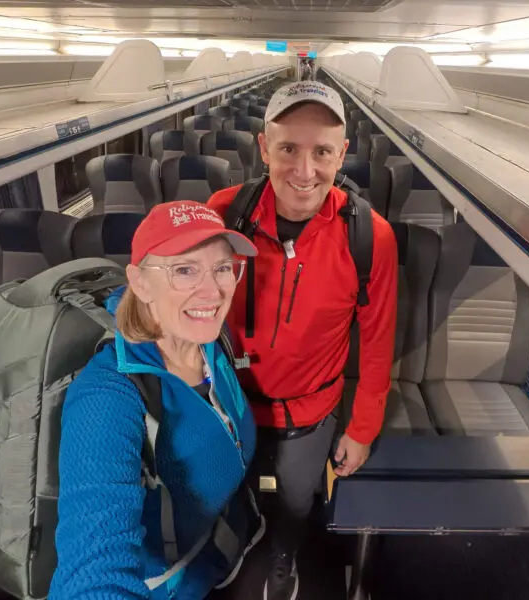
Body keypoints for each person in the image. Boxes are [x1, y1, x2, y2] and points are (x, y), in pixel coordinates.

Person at [207, 81, 398, 600]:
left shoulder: (369, 236)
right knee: (230, 493)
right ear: (264, 147)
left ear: (343, 155)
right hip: (231, 402)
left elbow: (378, 341)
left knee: (295, 502)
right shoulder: (224, 213)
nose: (304, 170)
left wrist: (361, 428)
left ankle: (285, 558)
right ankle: (238, 549)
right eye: (288, 148)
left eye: (321, 152)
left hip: (310, 411)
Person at [49, 201, 266, 599]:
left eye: (222, 267)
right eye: (184, 269)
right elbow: (94, 564)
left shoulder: (211, 341)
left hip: (222, 541)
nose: (213, 290)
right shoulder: (108, 398)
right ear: (141, 282)